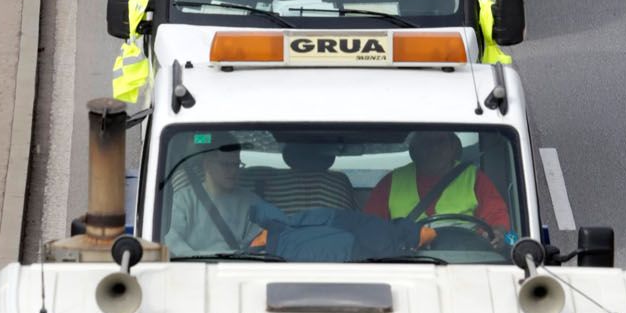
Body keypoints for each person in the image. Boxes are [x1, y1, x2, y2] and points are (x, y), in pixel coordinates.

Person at [163, 137, 440, 263]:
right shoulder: (185, 200)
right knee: (334, 239)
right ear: (207, 164)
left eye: (236, 165)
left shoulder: (248, 199)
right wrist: (214, 260)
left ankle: (403, 235)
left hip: (262, 255)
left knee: (327, 223)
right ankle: (402, 238)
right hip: (213, 270)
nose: (233, 171)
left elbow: (281, 226)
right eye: (225, 165)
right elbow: (170, 242)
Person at [363, 129, 510, 234]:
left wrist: (497, 235)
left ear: (453, 148)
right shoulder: (391, 182)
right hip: (405, 266)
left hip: (466, 263)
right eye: (426, 143)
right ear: (414, 150)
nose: (434, 148)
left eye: (440, 142)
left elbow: (498, 222)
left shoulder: (475, 178)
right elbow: (369, 230)